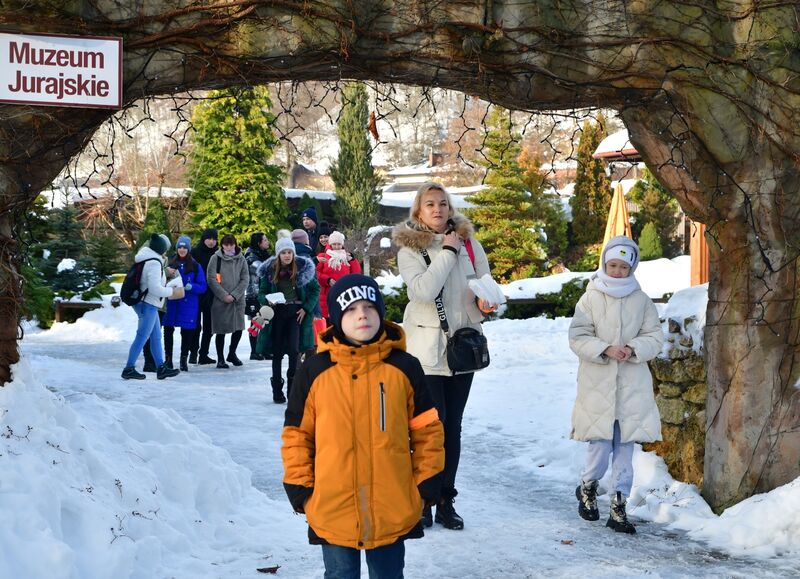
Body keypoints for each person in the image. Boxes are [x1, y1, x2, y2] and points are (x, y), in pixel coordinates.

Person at [281, 274, 444, 579]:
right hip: (332, 505)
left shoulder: (403, 367)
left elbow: (427, 431)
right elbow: (297, 434)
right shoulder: (315, 370)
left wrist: (425, 483)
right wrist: (301, 487)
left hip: (392, 504)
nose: (362, 315)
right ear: (336, 317)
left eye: (370, 307)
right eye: (351, 308)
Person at [392, 181, 492, 531]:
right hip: (427, 354)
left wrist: (487, 301)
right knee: (430, 429)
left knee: (453, 428)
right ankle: (423, 498)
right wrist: (447, 252)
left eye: (443, 204)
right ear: (418, 211)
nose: (438, 209)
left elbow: (485, 282)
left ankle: (446, 500)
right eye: (430, 204)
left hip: (463, 350)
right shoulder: (409, 248)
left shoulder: (469, 243)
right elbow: (422, 290)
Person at [569, 236, 663, 535]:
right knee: (599, 444)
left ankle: (619, 505)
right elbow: (578, 336)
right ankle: (588, 487)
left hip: (632, 386)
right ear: (604, 264)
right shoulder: (591, 298)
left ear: (632, 267)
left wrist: (634, 348)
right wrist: (605, 348)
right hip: (598, 384)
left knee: (625, 447)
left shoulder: (641, 300)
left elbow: (655, 336)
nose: (618, 271)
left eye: (624, 266)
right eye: (613, 265)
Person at [256, 237, 319, 403]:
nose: (286, 255)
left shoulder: (302, 269)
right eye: (283, 252)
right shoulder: (270, 271)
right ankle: (277, 390)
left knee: (293, 350)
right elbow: (261, 293)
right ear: (278, 254)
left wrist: (306, 308)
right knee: (276, 353)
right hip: (277, 315)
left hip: (295, 313)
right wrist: (267, 300)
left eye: (289, 252)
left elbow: (315, 290)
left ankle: (292, 388)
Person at [121, 233, 181, 381]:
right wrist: (172, 292)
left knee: (156, 336)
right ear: (162, 249)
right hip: (147, 304)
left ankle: (161, 367)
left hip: (148, 303)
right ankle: (128, 368)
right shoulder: (154, 263)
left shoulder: (146, 258)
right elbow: (155, 288)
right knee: (142, 336)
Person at [162, 236, 207, 372]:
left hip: (188, 303)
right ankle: (168, 359)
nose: (182, 250)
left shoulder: (195, 265)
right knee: (168, 331)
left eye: (184, 247)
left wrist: (191, 287)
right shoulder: (169, 263)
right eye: (179, 247)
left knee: (186, 332)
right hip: (172, 302)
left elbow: (203, 286)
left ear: (188, 249)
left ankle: (183, 359)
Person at [206, 234, 249, 369]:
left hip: (238, 300)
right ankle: (220, 358)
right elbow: (211, 278)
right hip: (221, 300)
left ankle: (232, 353)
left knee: (238, 327)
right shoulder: (215, 258)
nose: (229, 247)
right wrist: (224, 295)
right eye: (226, 244)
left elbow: (245, 278)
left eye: (231, 244)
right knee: (221, 330)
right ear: (222, 245)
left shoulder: (241, 259)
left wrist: (235, 295)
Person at [316, 230, 362, 325]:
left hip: (344, 293)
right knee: (328, 324)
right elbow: (315, 273)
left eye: (339, 244)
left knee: (343, 320)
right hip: (327, 294)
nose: (336, 247)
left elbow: (356, 274)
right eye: (334, 244)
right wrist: (327, 280)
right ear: (330, 244)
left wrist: (353, 260)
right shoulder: (323, 256)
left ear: (342, 245)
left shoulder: (346, 257)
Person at [191, 228, 219, 364]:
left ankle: (203, 354)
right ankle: (192, 352)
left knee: (209, 326)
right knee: (195, 325)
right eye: (209, 238)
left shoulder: (218, 254)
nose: (211, 242)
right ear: (203, 239)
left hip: (212, 294)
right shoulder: (195, 253)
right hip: (196, 293)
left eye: (214, 239)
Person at [245, 232, 271, 360]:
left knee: (265, 320)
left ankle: (263, 349)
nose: (267, 242)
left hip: (263, 292)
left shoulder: (263, 254)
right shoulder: (251, 256)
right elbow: (261, 269)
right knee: (256, 321)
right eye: (265, 240)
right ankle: (254, 351)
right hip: (253, 293)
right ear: (258, 243)